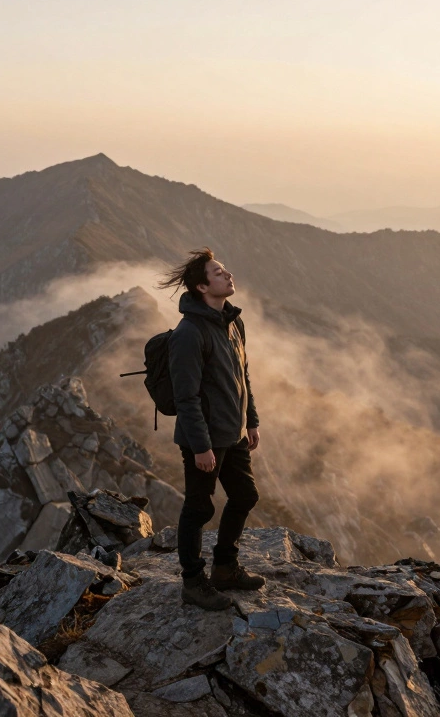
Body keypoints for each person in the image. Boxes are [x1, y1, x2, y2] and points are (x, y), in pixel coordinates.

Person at [159, 248, 265, 611]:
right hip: (203, 438)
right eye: (218, 272)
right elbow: (185, 396)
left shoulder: (233, 322)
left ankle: (224, 568)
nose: (228, 274)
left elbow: (242, 376)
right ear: (203, 286)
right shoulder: (189, 333)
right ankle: (193, 582)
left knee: (245, 496)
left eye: (225, 269)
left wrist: (250, 420)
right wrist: (202, 447)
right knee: (199, 508)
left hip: (232, 433)